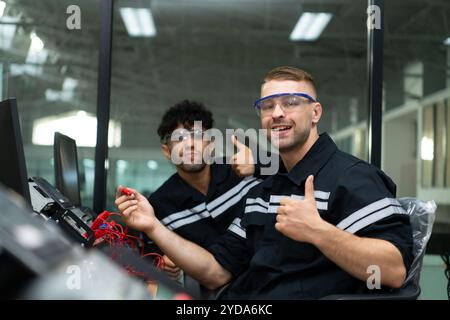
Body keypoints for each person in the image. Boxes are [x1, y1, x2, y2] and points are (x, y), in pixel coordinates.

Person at [115, 66, 413, 299]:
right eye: (267, 106)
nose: (277, 113)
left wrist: (319, 232)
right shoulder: (263, 190)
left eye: (291, 102)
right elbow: (216, 272)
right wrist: (153, 225)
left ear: (316, 113)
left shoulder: (352, 177)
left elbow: (393, 270)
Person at [138, 100, 263, 294]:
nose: (189, 145)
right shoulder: (159, 205)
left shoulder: (243, 171)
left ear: (211, 144)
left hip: (270, 282)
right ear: (167, 151)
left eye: (197, 135)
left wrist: (258, 165)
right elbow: (151, 258)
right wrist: (164, 261)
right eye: (179, 138)